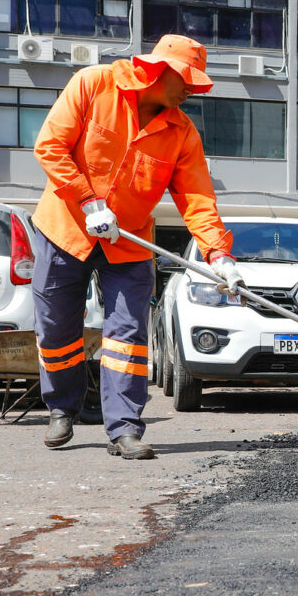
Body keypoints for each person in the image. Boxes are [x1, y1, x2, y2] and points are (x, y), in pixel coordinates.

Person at [31, 34, 242, 460]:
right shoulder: (93, 83)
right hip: (65, 228)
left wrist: (220, 255)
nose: (191, 91)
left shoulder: (181, 132)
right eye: (188, 80)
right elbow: (50, 147)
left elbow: (197, 200)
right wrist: (89, 201)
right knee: (56, 328)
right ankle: (61, 407)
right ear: (162, 71)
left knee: (127, 336)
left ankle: (124, 428)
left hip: (127, 243)